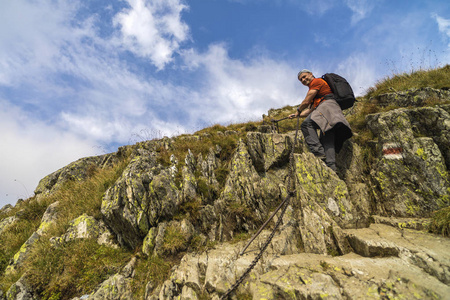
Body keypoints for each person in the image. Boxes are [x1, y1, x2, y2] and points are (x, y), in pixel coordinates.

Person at [289, 69, 352, 171]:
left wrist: (298, 110)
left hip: (326, 107)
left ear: (311, 74)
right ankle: (331, 168)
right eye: (301, 80)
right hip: (330, 109)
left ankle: (318, 153)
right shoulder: (318, 94)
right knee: (327, 136)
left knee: (306, 125)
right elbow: (310, 110)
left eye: (304, 77)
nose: (303, 80)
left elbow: (306, 101)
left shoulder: (316, 82)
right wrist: (297, 115)